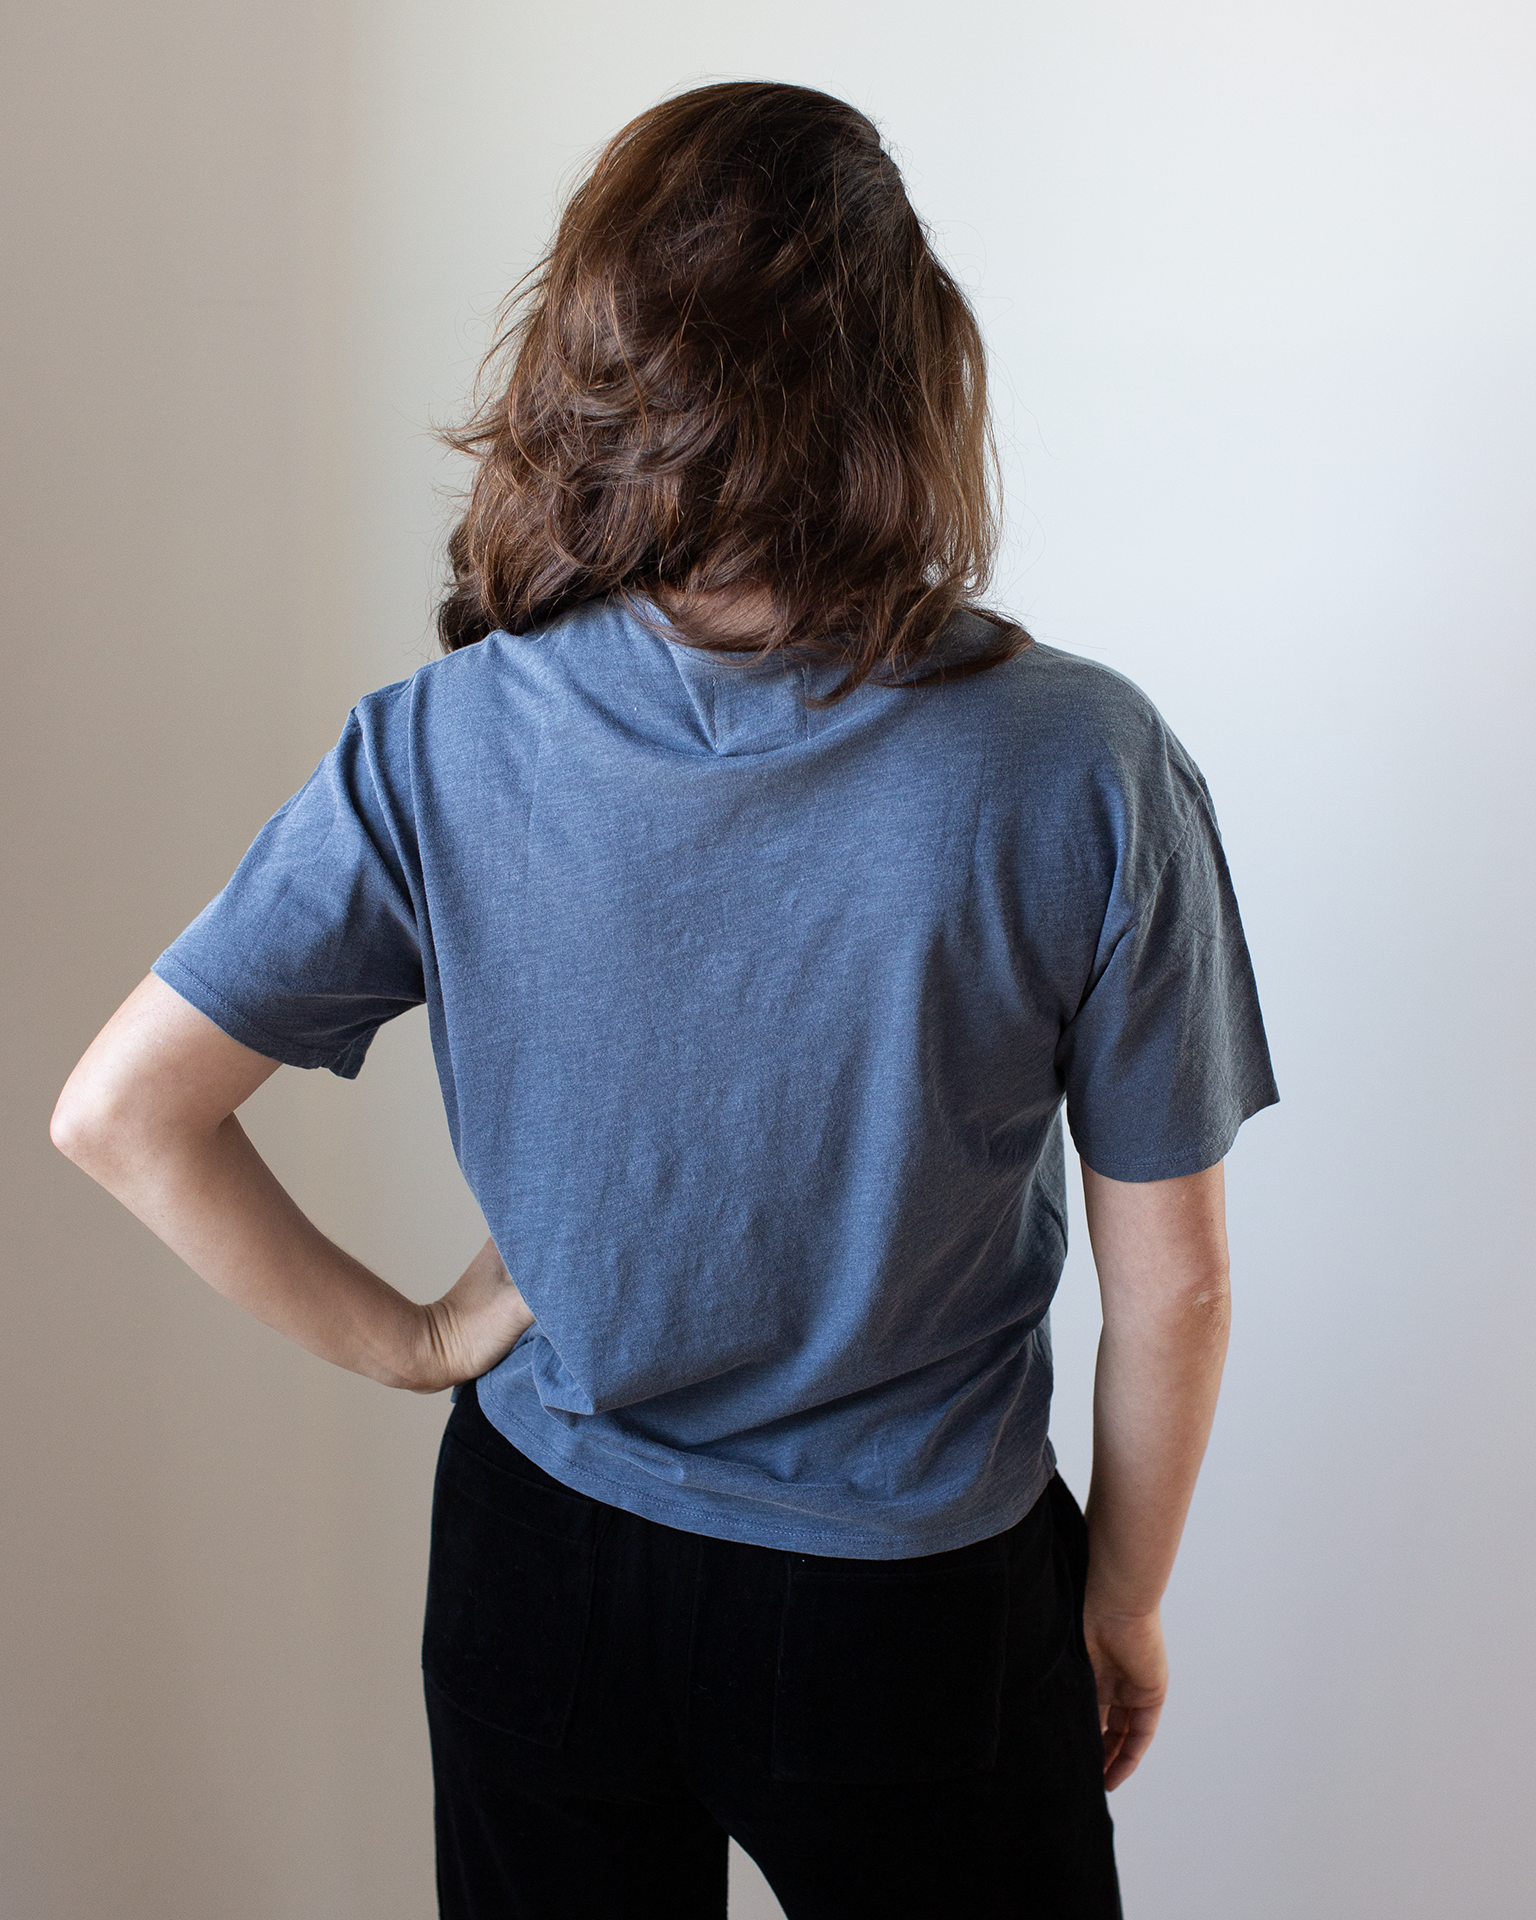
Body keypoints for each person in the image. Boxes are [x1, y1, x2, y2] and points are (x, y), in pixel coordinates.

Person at [51, 80, 1277, 1920]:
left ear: (594, 366)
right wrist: (1121, 1605)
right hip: (912, 1608)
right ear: (910, 380)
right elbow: (1175, 1284)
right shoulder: (1079, 765)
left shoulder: (439, 741)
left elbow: (121, 1111)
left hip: (539, 1569)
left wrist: (415, 1343)